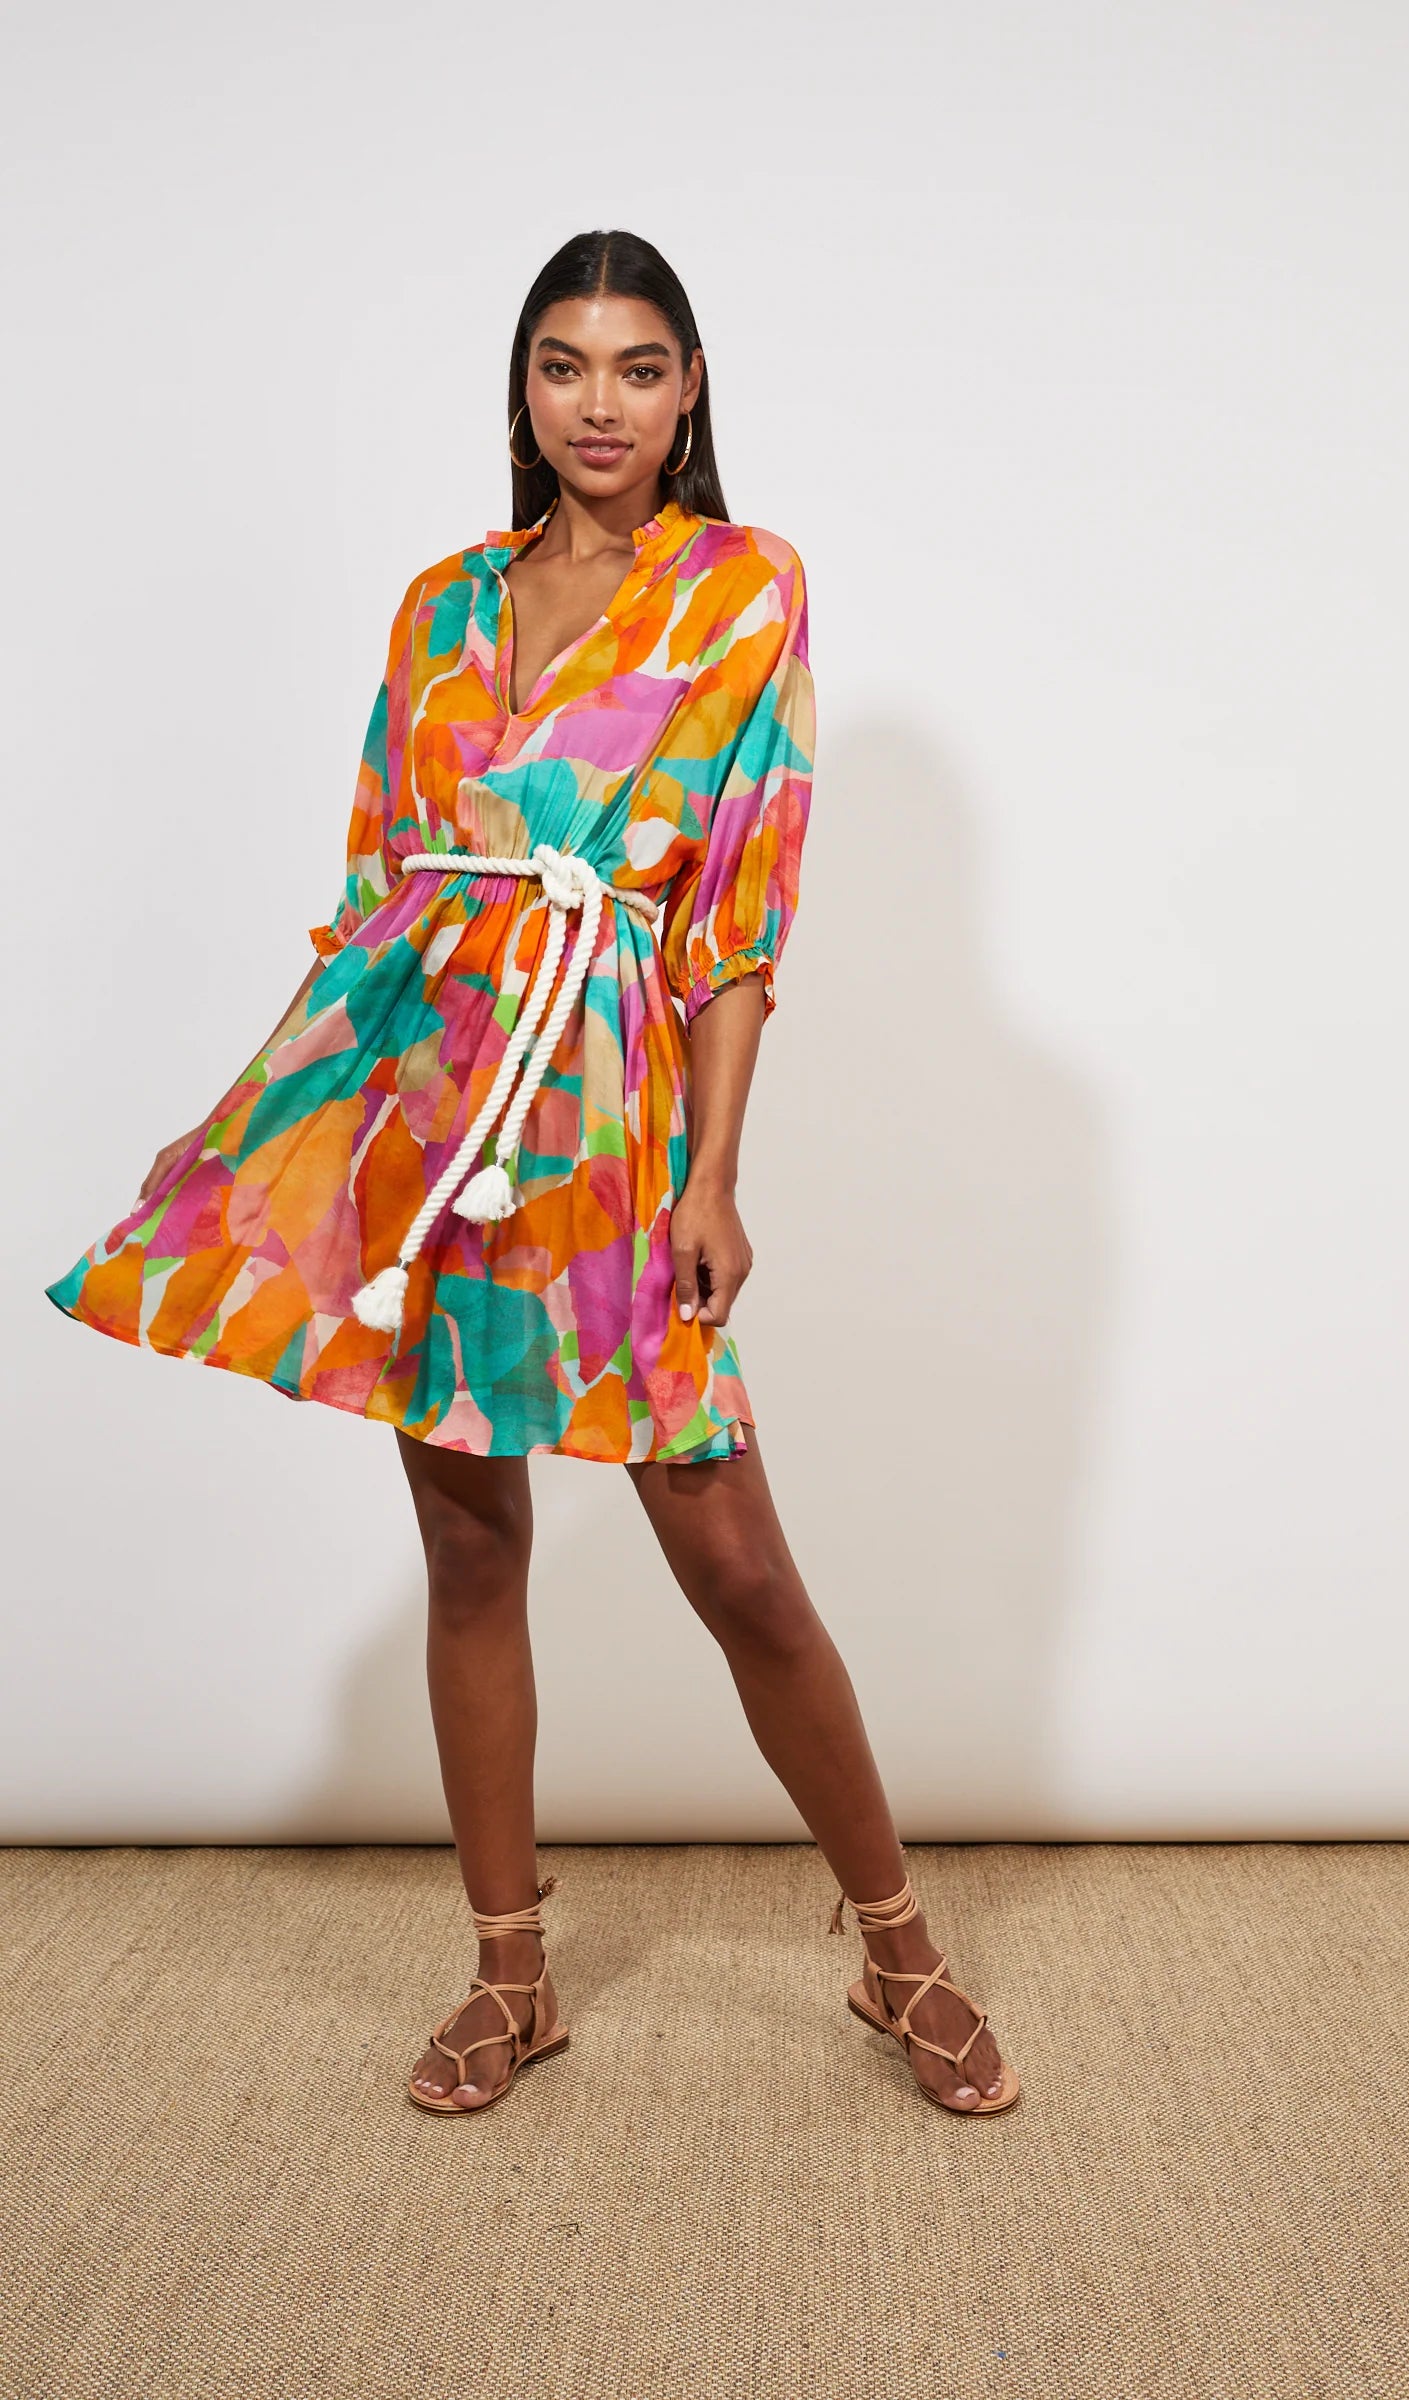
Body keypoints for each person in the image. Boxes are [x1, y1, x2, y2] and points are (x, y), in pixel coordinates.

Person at [43, 228, 1020, 2121]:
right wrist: (281, 1123)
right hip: (427, 1116)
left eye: (639, 367)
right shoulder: (439, 606)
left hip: (609, 1120)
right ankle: (513, 1975)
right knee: (470, 1545)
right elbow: (378, 895)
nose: (600, 404)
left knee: (735, 1561)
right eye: (564, 365)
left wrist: (713, 1175)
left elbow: (736, 914)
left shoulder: (741, 587)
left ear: (692, 386)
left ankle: (898, 1950)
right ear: (521, 387)